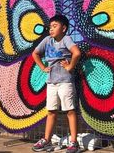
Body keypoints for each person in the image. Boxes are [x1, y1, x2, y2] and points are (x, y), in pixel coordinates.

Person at [32, 14, 81, 153]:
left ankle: (73, 142)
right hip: (51, 83)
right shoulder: (47, 40)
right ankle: (46, 140)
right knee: (51, 111)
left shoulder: (66, 39)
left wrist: (70, 67)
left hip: (65, 82)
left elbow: (76, 53)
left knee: (70, 111)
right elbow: (35, 53)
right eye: (50, 27)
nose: (51, 29)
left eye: (55, 26)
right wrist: (42, 67)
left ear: (64, 28)